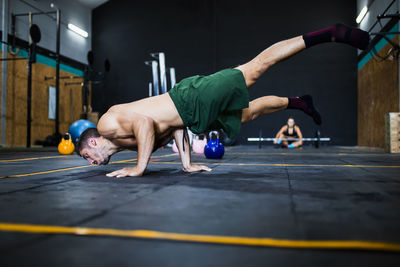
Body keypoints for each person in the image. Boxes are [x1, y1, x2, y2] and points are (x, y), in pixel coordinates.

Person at [77, 23, 369, 177]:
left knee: (254, 69)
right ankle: (299, 102)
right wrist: (187, 164)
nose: (92, 163)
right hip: (191, 116)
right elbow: (172, 126)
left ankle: (330, 33)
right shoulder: (124, 143)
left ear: (91, 142)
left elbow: (144, 122)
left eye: (87, 157)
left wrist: (139, 168)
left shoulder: (105, 126)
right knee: (248, 114)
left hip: (190, 98)